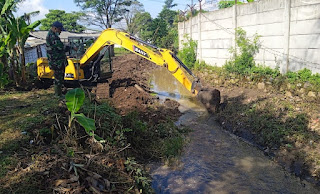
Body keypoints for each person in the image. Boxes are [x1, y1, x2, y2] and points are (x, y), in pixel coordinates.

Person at [46, 21, 66, 97]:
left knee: (59, 77)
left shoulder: (53, 35)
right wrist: (71, 47)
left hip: (58, 60)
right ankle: (58, 94)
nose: (60, 31)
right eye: (60, 30)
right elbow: (61, 47)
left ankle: (59, 93)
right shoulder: (52, 36)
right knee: (58, 78)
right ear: (55, 28)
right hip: (56, 61)